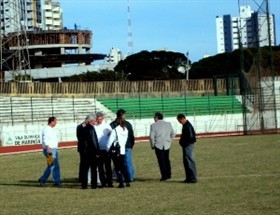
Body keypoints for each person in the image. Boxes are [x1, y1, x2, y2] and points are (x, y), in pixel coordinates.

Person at [149, 112, 176, 181]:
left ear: (157, 117)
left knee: (161, 161)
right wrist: (169, 140)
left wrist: (152, 145)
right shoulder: (168, 124)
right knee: (167, 160)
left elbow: (151, 137)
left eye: (154, 117)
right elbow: (173, 133)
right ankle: (169, 174)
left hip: (158, 144)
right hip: (166, 144)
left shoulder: (153, 125)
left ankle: (164, 176)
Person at [110, 108, 135, 182]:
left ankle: (124, 177)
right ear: (121, 116)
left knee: (121, 162)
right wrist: (131, 144)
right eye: (124, 115)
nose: (125, 116)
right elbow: (131, 135)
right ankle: (129, 177)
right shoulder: (127, 124)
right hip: (126, 146)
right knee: (127, 162)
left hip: (118, 147)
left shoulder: (112, 124)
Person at [39, 117, 62, 187]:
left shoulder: (51, 129)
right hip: (50, 149)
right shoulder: (46, 129)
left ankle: (57, 181)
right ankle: (43, 179)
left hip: (53, 149)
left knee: (55, 166)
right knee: (51, 165)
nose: (56, 123)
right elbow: (45, 139)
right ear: (51, 122)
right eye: (55, 121)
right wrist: (48, 149)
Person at [107, 118, 130, 188]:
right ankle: (127, 181)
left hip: (116, 150)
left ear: (116, 123)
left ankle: (121, 183)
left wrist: (108, 149)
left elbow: (110, 141)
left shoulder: (115, 130)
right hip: (122, 150)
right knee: (123, 166)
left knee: (117, 167)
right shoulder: (125, 130)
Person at [81, 114, 100, 189]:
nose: (95, 121)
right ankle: (94, 185)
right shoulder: (91, 129)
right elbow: (94, 141)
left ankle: (84, 185)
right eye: (95, 120)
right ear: (91, 121)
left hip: (84, 151)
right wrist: (97, 151)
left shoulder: (83, 128)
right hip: (91, 151)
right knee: (93, 169)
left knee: (85, 169)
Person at [177, 113, 197, 183]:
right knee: (186, 161)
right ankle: (189, 177)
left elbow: (191, 137)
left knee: (189, 161)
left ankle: (192, 178)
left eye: (179, 120)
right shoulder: (186, 125)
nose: (179, 122)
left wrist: (184, 142)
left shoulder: (188, 126)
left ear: (182, 118)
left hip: (188, 145)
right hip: (186, 145)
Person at [94, 112, 113, 187]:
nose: (99, 121)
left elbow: (112, 134)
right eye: (98, 119)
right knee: (100, 167)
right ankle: (103, 182)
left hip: (106, 149)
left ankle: (109, 182)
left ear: (102, 119)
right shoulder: (94, 127)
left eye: (100, 119)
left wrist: (110, 133)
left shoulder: (106, 126)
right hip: (98, 149)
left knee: (108, 167)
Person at [76, 115, 91, 182]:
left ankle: (85, 177)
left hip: (87, 147)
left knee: (85, 163)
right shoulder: (79, 127)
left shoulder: (89, 127)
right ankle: (82, 177)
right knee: (83, 163)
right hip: (83, 148)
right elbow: (80, 137)